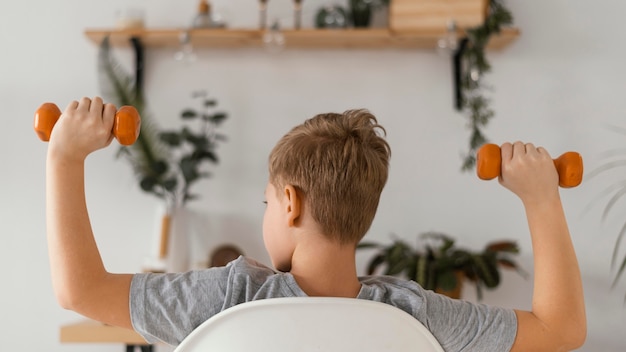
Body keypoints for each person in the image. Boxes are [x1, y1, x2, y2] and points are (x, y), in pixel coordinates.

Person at [46, 96, 586, 351]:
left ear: (289, 203)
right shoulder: (415, 315)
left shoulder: (231, 298)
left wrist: (64, 159)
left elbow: (80, 290)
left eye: (265, 205)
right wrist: (542, 200)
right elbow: (563, 331)